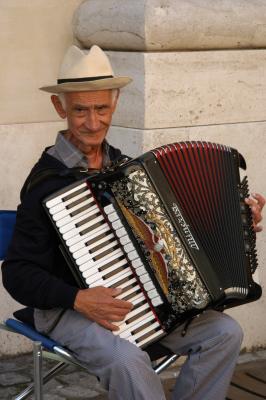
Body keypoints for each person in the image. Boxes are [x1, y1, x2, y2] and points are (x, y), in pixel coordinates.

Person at [1, 44, 265, 400]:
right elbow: (17, 272)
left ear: (115, 103)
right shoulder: (46, 183)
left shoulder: (129, 174)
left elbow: (177, 238)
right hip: (67, 310)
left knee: (224, 334)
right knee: (127, 360)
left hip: (144, 306)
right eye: (80, 110)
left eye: (101, 108)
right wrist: (78, 298)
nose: (92, 122)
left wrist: (238, 224)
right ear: (59, 106)